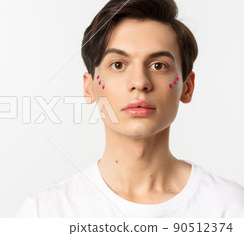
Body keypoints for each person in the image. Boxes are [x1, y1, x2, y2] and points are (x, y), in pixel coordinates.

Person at [15, 0, 244, 217]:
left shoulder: (230, 207)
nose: (140, 82)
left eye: (158, 65)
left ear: (187, 87)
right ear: (90, 87)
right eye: (118, 65)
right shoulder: (44, 213)